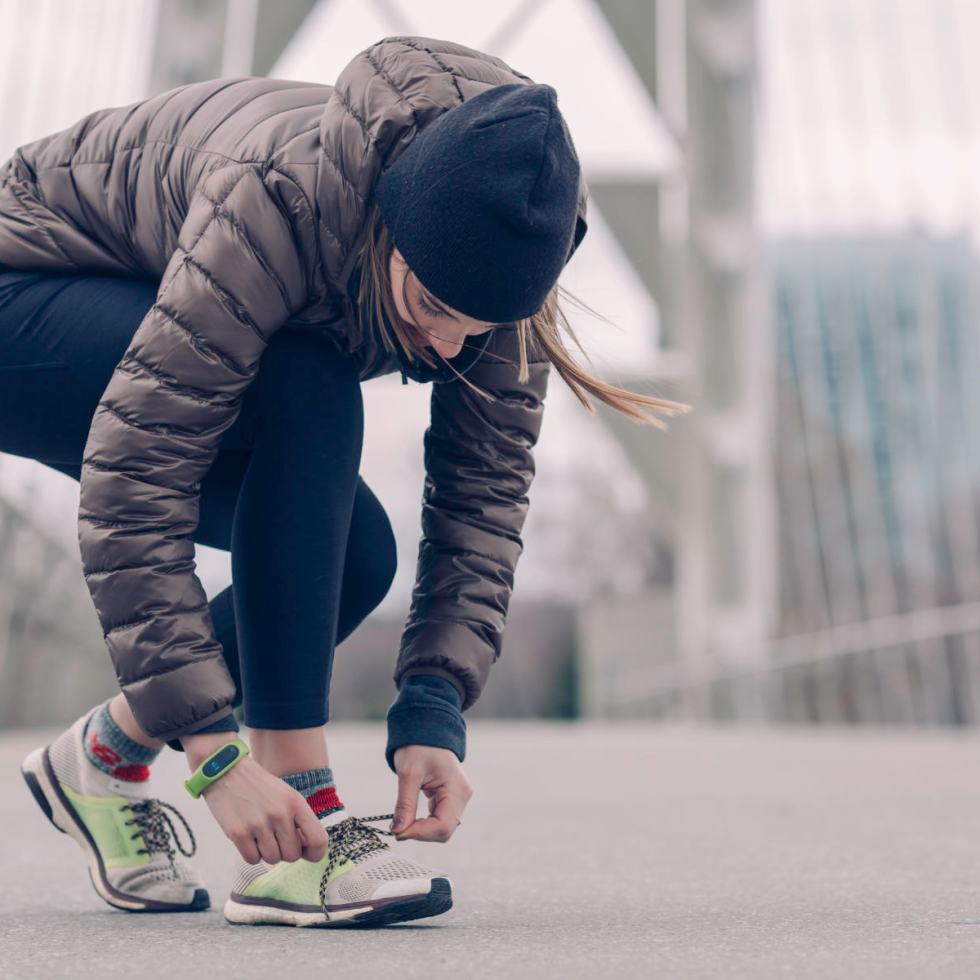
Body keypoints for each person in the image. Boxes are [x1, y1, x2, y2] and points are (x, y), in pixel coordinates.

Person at [0, 35, 685, 927]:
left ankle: (105, 754)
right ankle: (304, 822)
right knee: (307, 384)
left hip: (157, 329)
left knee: (351, 555)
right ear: (391, 231)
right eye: (433, 309)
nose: (448, 347)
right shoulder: (276, 202)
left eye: (476, 328)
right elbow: (137, 482)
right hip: (26, 291)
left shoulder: (509, 254)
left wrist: (434, 707)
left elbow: (482, 498)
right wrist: (215, 756)